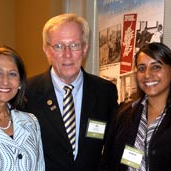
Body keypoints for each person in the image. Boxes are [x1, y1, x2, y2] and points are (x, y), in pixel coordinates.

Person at [24, 13, 119, 171]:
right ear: (47, 50)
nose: (67, 54)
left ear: (85, 48)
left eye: (74, 45)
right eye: (59, 46)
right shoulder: (27, 93)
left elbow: (113, 146)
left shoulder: (105, 92)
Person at [99, 42, 171, 171]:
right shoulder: (122, 114)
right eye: (142, 68)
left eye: (156, 67)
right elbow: (107, 164)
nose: (147, 74)